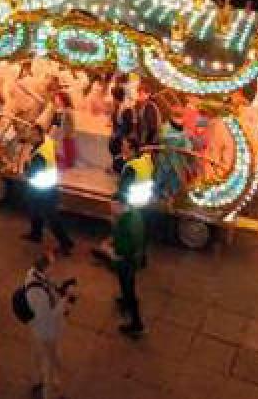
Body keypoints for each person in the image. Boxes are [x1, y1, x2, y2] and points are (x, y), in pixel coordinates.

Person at [22, 253, 74, 399]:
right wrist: (65, 299)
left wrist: (59, 288)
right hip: (46, 330)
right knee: (51, 362)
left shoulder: (33, 274)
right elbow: (49, 315)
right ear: (45, 267)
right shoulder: (37, 290)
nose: (54, 268)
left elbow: (49, 285)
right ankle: (49, 394)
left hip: (36, 327)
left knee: (37, 355)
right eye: (52, 265)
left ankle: (36, 379)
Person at [22, 127, 74, 255]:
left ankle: (66, 243)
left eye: (32, 135)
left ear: (39, 136)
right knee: (35, 211)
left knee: (52, 218)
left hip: (43, 190)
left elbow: (31, 173)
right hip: (46, 187)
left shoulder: (39, 155)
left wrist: (25, 166)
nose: (29, 137)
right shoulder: (48, 142)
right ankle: (36, 234)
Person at [110, 195, 147, 337]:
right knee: (127, 287)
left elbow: (122, 249)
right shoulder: (135, 214)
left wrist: (109, 250)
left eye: (113, 206)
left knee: (129, 290)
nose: (111, 209)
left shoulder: (124, 223)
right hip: (134, 260)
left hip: (126, 263)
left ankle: (137, 324)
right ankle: (125, 301)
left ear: (120, 205)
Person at [107, 84, 135, 174]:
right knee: (113, 148)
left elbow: (126, 125)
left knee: (119, 151)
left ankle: (118, 169)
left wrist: (118, 135)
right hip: (119, 134)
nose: (113, 99)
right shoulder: (118, 106)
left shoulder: (126, 108)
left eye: (113, 97)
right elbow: (115, 121)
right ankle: (116, 168)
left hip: (124, 136)